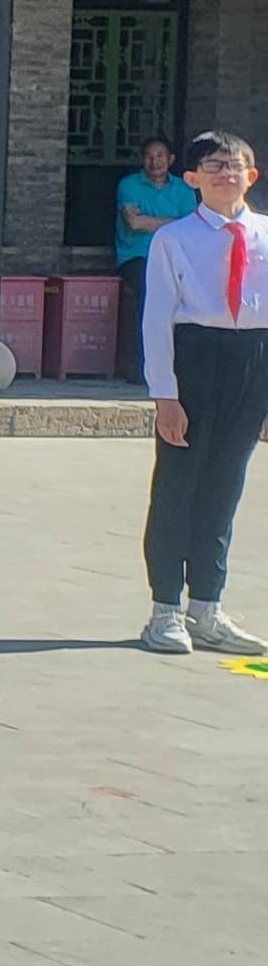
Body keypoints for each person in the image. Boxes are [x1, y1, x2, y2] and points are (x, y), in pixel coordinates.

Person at [135, 130, 268, 657]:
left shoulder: (264, 234)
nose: (226, 174)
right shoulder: (174, 239)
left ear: (251, 176)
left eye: (235, 166)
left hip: (253, 358)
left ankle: (207, 607)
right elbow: (156, 319)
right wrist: (165, 393)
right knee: (178, 486)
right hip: (196, 357)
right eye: (214, 166)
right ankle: (165, 608)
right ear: (192, 178)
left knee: (224, 487)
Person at [116, 133, 196, 387]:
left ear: (171, 159)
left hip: (176, 257)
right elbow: (133, 223)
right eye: (149, 156)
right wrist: (173, 224)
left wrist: (148, 221)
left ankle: (180, 367)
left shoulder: (184, 189)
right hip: (137, 257)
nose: (155, 161)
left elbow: (192, 226)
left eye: (160, 156)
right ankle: (141, 367)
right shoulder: (129, 185)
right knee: (149, 296)